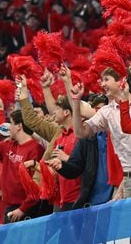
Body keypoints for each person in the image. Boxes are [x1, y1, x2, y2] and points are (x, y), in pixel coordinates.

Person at [69, 66, 131, 198]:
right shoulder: (106, 112)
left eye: (106, 79)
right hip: (130, 181)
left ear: (121, 80)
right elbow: (80, 133)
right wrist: (76, 101)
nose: (102, 84)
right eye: (101, 80)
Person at [18, 75, 81, 211]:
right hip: (58, 196)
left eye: (57, 109)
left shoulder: (82, 133)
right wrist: (23, 93)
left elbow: (84, 166)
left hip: (77, 197)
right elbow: (31, 121)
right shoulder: (58, 132)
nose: (53, 113)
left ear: (66, 112)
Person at [0, 110, 44, 223]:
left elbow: (36, 184)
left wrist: (22, 209)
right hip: (10, 207)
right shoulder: (8, 146)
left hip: (26, 208)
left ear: (19, 126)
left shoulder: (36, 149)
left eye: (11, 123)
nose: (9, 127)